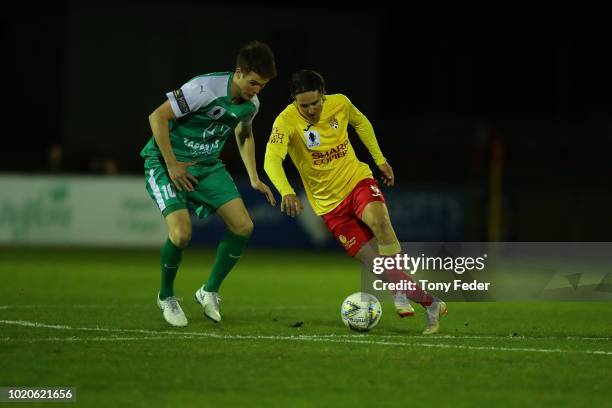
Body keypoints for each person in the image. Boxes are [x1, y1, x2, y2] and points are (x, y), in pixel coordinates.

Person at [264, 70, 447, 334]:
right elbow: (271, 159)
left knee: (379, 220)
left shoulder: (340, 103)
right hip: (329, 206)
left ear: (323, 95)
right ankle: (431, 304)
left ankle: (398, 291)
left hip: (356, 181)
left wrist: (379, 159)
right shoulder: (285, 121)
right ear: (294, 100)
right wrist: (286, 190)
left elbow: (362, 123)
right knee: (379, 268)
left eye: (315, 103)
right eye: (304, 105)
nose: (311, 110)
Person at [141, 40, 277, 327]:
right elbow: (158, 116)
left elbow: (244, 133)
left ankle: (209, 290)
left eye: (262, 86)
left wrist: (253, 177)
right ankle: (166, 295)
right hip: (168, 162)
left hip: (207, 165)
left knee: (243, 226)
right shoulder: (203, 89)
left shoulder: (251, 104)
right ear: (239, 71)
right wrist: (172, 164)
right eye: (254, 82)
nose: (257, 90)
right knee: (181, 235)